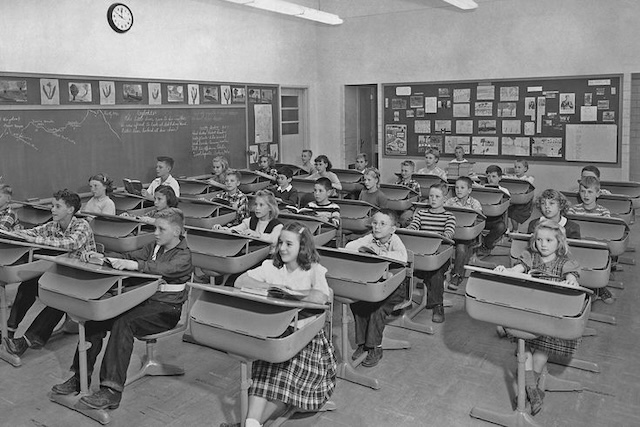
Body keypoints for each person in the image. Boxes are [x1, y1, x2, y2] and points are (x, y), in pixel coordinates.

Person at [50, 208, 193, 410]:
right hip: (142, 302)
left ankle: (111, 390)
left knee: (123, 323)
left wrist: (134, 266)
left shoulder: (184, 256)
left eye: (161, 229)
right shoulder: (154, 247)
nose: (156, 233)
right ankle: (80, 377)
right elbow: (128, 255)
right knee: (96, 318)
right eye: (155, 228)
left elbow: (162, 269)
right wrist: (101, 256)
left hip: (166, 309)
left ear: (177, 231)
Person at [229, 222, 336, 427]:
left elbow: (321, 297)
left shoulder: (314, 270)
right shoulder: (271, 266)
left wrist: (293, 294)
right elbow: (239, 282)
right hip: (275, 333)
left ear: (302, 247)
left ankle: (250, 423)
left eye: (289, 244)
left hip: (305, 339)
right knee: (265, 373)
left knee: (276, 375)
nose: (283, 248)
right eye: (280, 243)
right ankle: (251, 424)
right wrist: (272, 286)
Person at [494, 220, 582, 416]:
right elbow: (517, 269)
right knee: (523, 353)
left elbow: (571, 277)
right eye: (539, 239)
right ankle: (533, 392)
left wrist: (571, 281)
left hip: (550, 319)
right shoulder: (529, 257)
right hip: (527, 314)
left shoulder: (565, 262)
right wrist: (505, 270)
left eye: (549, 240)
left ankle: (528, 389)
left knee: (540, 358)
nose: (543, 244)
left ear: (559, 243)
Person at [4, 189, 96, 350]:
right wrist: (11, 234)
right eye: (53, 206)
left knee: (58, 300)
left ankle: (27, 341)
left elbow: (70, 243)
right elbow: (32, 232)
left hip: (82, 279)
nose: (52, 209)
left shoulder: (82, 225)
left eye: (57, 206)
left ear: (70, 210)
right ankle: (9, 330)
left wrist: (35, 239)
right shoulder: (54, 224)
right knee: (28, 284)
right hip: (62, 273)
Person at [345, 209, 408, 367]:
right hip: (375, 285)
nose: (377, 227)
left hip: (396, 288)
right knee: (357, 303)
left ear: (392, 229)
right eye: (374, 223)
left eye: (382, 224)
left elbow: (403, 257)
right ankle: (363, 344)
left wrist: (381, 253)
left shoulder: (395, 240)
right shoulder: (370, 238)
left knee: (377, 309)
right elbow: (349, 246)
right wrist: (363, 247)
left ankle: (375, 347)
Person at [405, 182, 456, 323]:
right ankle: (400, 302)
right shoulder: (421, 213)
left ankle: (437, 305)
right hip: (420, 256)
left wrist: (436, 237)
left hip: (438, 257)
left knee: (436, 271)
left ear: (444, 199)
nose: (433, 199)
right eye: (431, 196)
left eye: (437, 196)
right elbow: (413, 227)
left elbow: (449, 233)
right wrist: (408, 230)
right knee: (401, 266)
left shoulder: (449, 216)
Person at [566, 176, 615, 304]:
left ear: (598, 193)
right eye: (582, 191)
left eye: (590, 192)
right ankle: (584, 287)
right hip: (578, 246)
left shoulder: (604, 212)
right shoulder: (573, 210)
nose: (586, 195)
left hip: (597, 247)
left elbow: (606, 233)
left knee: (599, 257)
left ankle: (600, 286)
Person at [444, 176, 482, 290]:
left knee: (461, 248)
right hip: (452, 234)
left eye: (462, 187)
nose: (458, 190)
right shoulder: (450, 202)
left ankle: (457, 275)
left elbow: (480, 218)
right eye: (456, 187)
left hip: (467, 237)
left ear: (469, 190)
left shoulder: (474, 203)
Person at [214, 189, 283, 246]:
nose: (257, 208)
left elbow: (273, 239)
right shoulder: (250, 220)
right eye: (256, 204)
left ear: (270, 208)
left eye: (261, 205)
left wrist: (257, 235)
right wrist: (222, 229)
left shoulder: (277, 225)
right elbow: (236, 229)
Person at [477, 165, 510, 256]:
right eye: (488, 176)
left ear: (500, 178)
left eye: (494, 176)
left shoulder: (504, 191)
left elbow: (506, 209)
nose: (490, 179)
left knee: (501, 226)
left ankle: (486, 244)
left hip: (496, 221)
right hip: (482, 219)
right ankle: (481, 245)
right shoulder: (481, 189)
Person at [395, 160, 421, 227]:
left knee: (404, 218)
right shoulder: (397, 184)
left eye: (406, 171)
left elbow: (417, 200)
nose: (403, 173)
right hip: (396, 207)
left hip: (409, 209)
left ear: (412, 172)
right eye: (402, 170)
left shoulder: (415, 185)